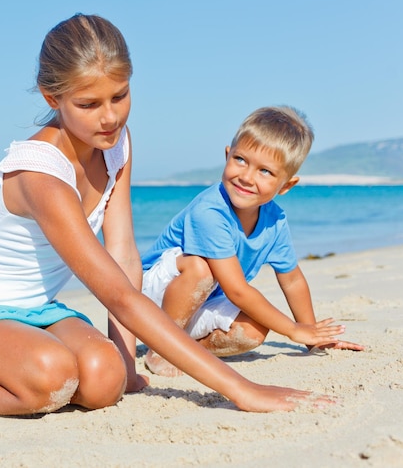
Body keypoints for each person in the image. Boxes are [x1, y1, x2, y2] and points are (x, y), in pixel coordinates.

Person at [0, 16, 332, 416]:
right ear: (51, 98)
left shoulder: (116, 144)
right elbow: (122, 297)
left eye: (119, 96)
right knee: (51, 376)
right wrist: (241, 390)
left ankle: (53, 363)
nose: (109, 118)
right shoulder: (40, 175)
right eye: (88, 104)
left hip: (33, 312)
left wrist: (126, 363)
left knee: (105, 383)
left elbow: (123, 253)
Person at [141, 105, 365, 377]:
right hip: (153, 295)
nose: (246, 177)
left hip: (202, 302)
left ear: (286, 186)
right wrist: (292, 330)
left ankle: (186, 349)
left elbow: (291, 279)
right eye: (240, 160)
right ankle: (163, 350)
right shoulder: (209, 212)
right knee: (202, 268)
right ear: (227, 155)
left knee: (254, 330)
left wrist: (311, 336)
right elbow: (236, 291)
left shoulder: (274, 219)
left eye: (265, 172)